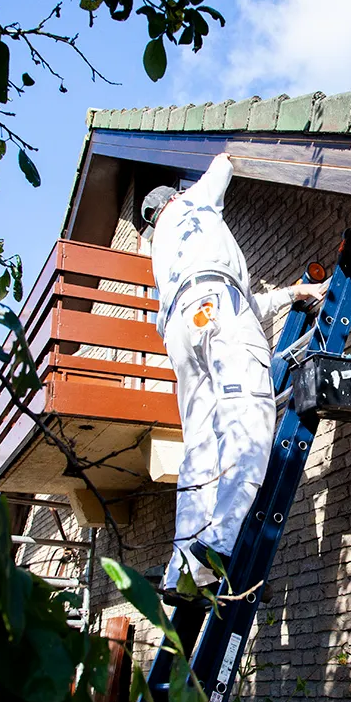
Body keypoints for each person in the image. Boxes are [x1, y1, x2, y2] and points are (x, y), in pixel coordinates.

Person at [141, 152, 326, 603]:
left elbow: (238, 305)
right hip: (218, 306)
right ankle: (215, 549)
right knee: (250, 419)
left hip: (183, 332)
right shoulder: (194, 203)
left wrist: (291, 294)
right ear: (175, 197)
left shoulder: (162, 252)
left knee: (200, 447)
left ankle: (180, 567)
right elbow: (227, 159)